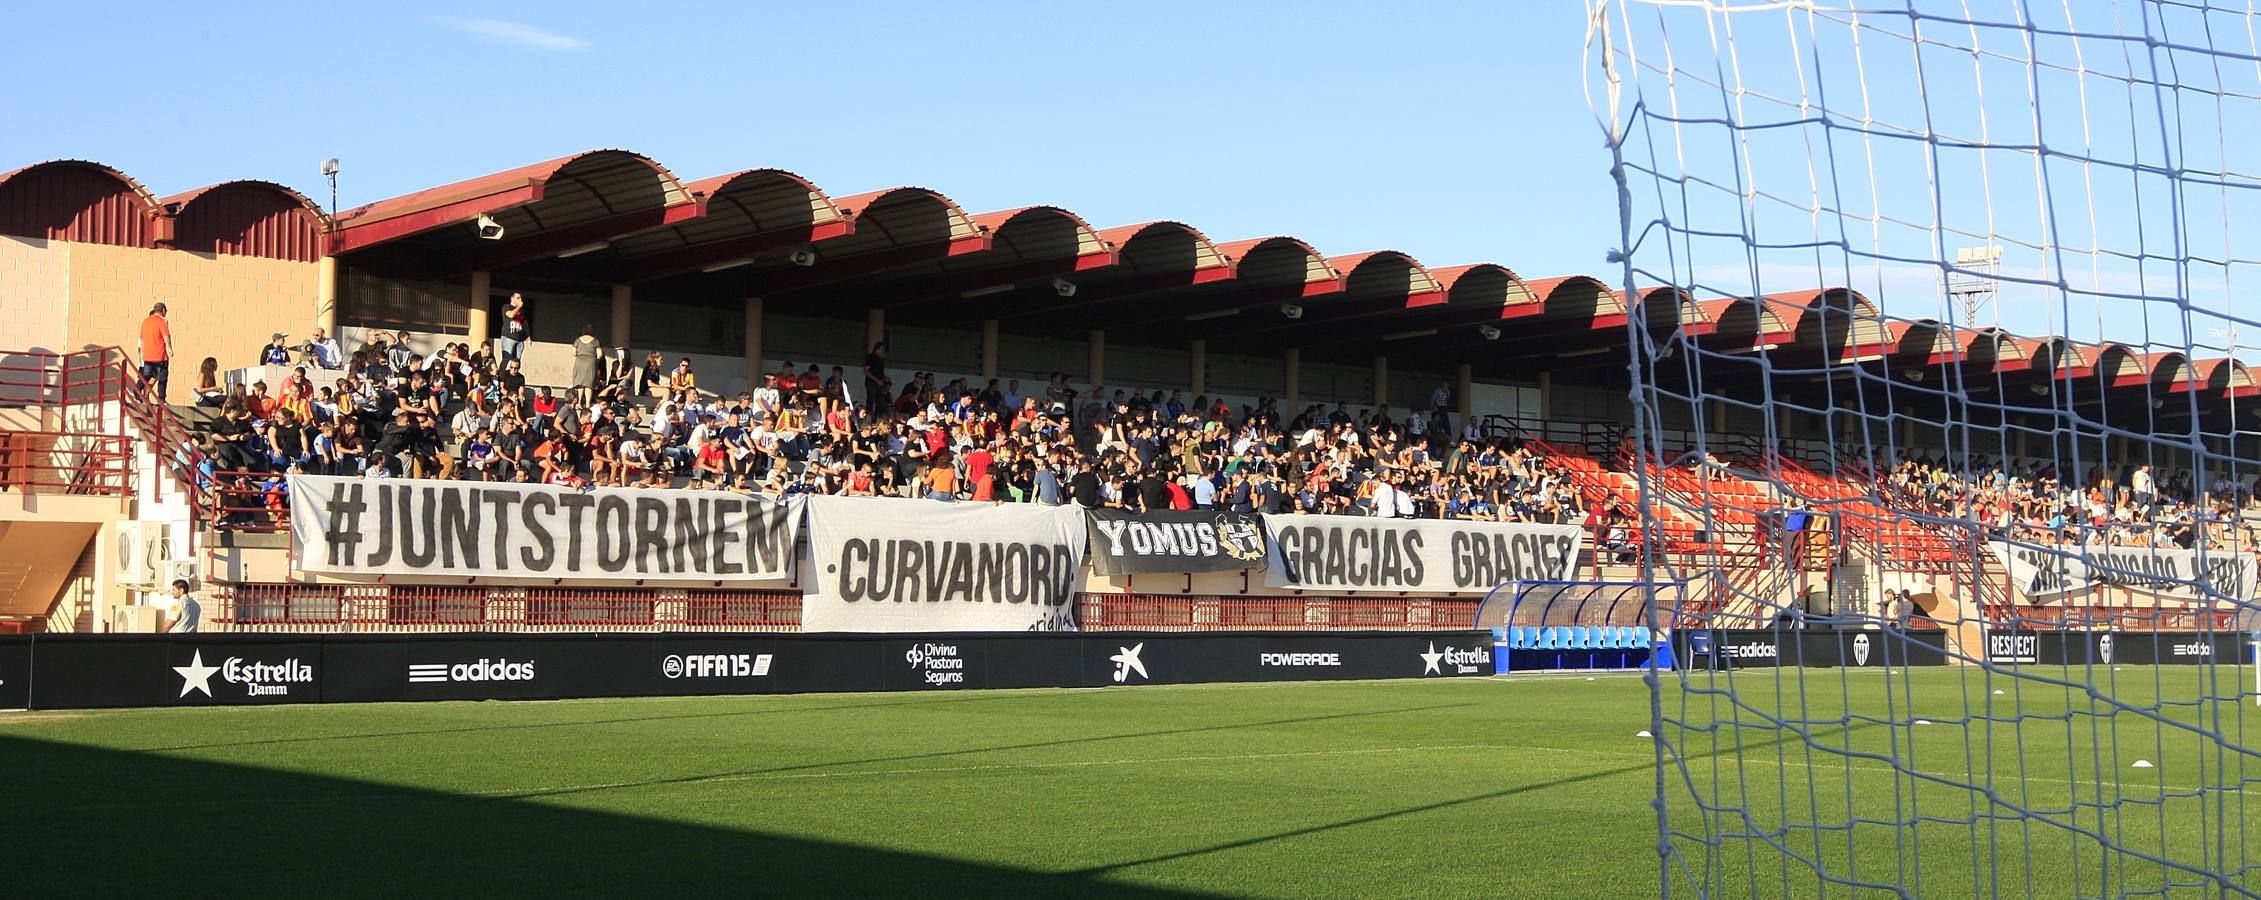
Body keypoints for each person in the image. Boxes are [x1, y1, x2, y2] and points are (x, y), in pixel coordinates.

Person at [137, 302, 173, 400]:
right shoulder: (162, 321)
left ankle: (137, 390)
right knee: (162, 377)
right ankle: (161, 398)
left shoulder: (145, 322)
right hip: (160, 355)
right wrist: (169, 348)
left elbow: (142, 338)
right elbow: (166, 335)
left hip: (147, 355)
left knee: (146, 375)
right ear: (163, 310)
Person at [497, 293, 529, 361]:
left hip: (520, 339)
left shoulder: (522, 311)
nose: (520, 300)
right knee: (506, 360)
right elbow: (511, 315)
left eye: (520, 298)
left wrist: (528, 336)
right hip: (509, 338)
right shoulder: (506, 307)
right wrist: (519, 307)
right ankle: (503, 371)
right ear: (512, 298)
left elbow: (525, 324)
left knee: (517, 361)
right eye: (518, 298)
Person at [571, 326, 602, 390]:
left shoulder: (578, 340)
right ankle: (588, 400)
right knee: (588, 384)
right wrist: (597, 361)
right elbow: (600, 355)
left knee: (580, 383)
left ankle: (579, 399)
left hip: (579, 362)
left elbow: (573, 353)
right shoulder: (595, 341)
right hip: (590, 362)